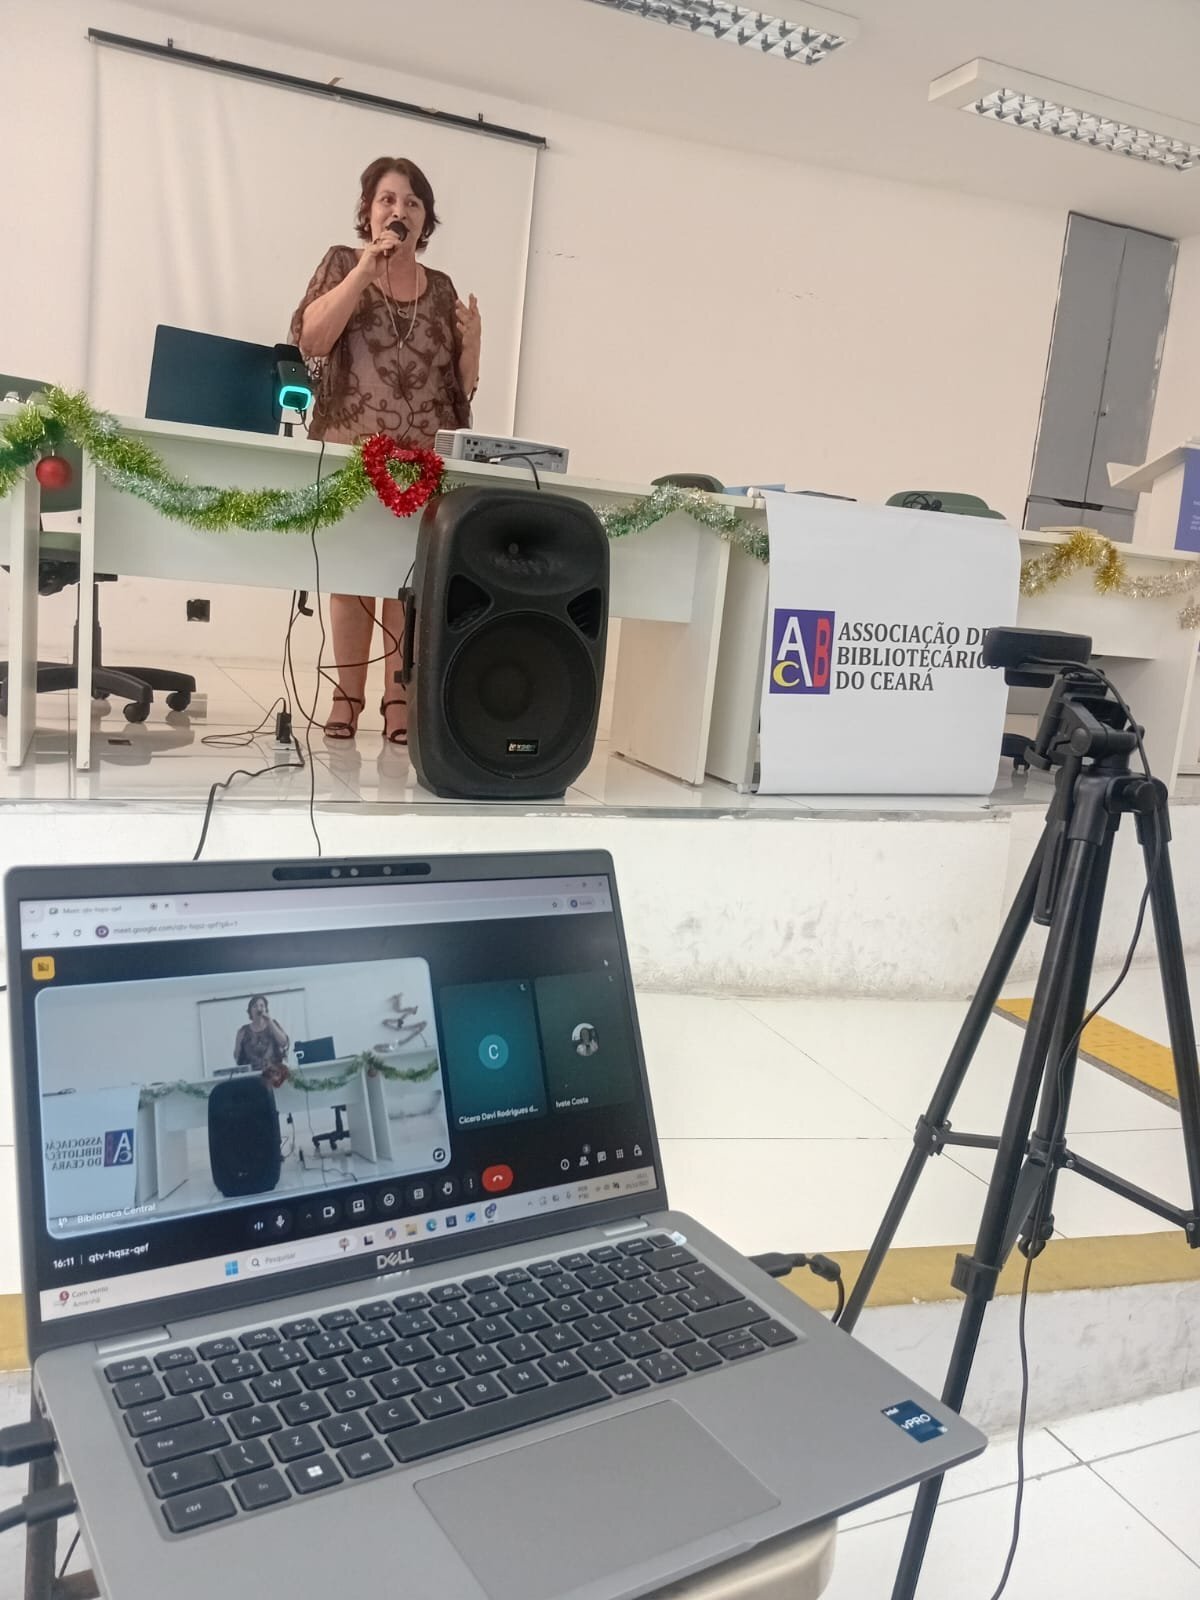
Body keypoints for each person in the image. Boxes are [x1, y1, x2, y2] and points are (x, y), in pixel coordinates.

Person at [290, 156, 483, 745]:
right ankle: (345, 697)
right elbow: (310, 341)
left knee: (408, 583)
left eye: (413, 203)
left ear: (426, 220)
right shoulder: (343, 262)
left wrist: (474, 347)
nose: (401, 211)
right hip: (350, 450)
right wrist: (363, 273)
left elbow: (459, 391)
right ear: (368, 211)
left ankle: (399, 699)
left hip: (421, 460)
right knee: (351, 578)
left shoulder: (442, 288)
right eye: (388, 200)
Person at [234, 995, 290, 1084]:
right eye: (255, 1006)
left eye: (261, 1006)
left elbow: (283, 1043)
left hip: (274, 1075)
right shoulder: (243, 1031)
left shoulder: (273, 1024)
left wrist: (270, 1021)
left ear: (266, 1009)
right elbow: (237, 1056)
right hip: (251, 1077)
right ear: (250, 1011)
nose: (258, 1009)